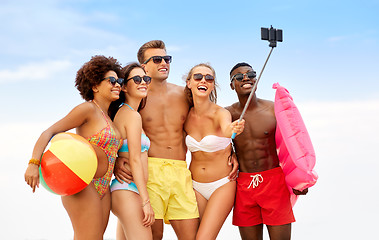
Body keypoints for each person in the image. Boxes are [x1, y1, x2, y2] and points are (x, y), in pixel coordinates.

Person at [114, 40, 239, 240]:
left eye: (167, 58)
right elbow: (117, 130)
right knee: (152, 234)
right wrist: (117, 160)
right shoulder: (138, 97)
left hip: (181, 172)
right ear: (143, 66)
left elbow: (209, 118)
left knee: (191, 235)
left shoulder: (184, 94)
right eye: (157, 59)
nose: (164, 63)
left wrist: (230, 151)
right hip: (151, 171)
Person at [24, 55, 124, 240]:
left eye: (119, 80)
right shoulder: (87, 109)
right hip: (82, 184)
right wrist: (33, 163)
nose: (117, 84)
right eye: (111, 80)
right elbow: (49, 132)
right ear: (95, 86)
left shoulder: (109, 116)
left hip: (104, 186)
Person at [225, 62, 308, 240]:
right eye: (239, 77)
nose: (246, 78)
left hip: (274, 182)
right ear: (232, 85)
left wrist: (300, 179)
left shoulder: (273, 109)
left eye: (251, 74)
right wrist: (231, 154)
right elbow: (216, 141)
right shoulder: (226, 114)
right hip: (244, 185)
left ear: (257, 79)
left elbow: (295, 142)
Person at [183, 63, 245, 240]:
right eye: (198, 77)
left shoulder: (221, 113)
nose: (204, 80)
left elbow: (228, 130)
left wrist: (234, 129)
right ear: (189, 83)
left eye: (209, 78)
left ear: (212, 85)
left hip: (222, 184)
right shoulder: (185, 116)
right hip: (194, 185)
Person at [108, 63, 155, 240]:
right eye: (137, 79)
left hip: (127, 190)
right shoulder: (131, 115)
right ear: (125, 87)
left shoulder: (127, 113)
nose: (143, 82)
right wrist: (146, 202)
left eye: (146, 79)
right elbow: (134, 159)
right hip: (127, 190)